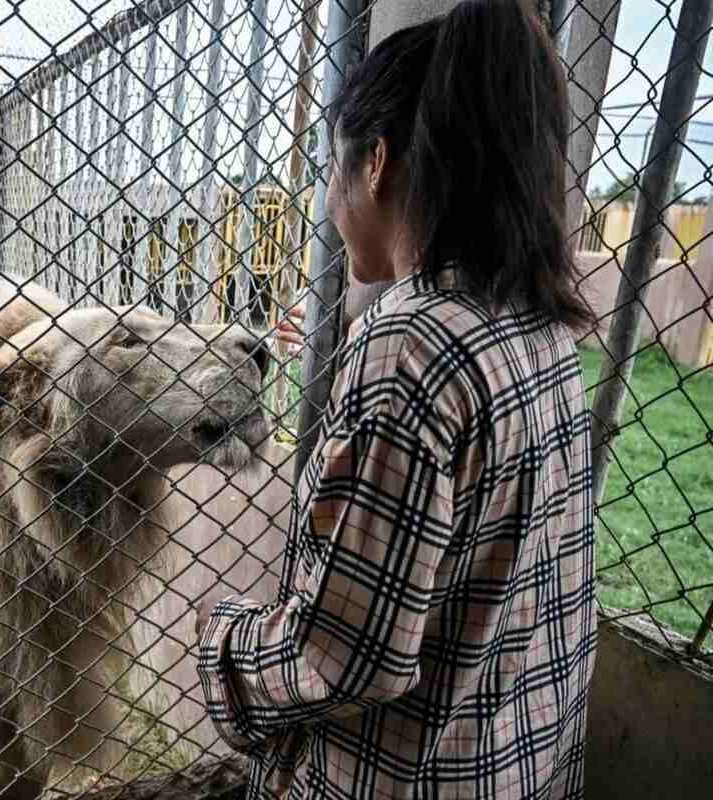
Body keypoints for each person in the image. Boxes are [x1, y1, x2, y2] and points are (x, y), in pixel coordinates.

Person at [193, 2, 597, 799]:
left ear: (374, 162)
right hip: (520, 763)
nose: (329, 202)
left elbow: (349, 655)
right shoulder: (535, 323)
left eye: (329, 172)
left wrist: (225, 648)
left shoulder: (410, 343)